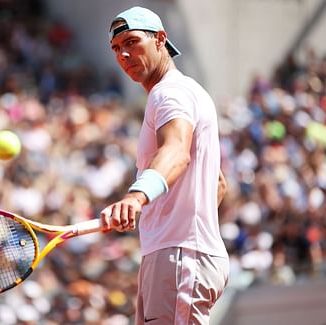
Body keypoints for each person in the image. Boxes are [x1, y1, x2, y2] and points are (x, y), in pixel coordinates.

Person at [100, 6, 229, 324]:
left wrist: (137, 197)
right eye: (117, 48)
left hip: (179, 256)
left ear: (161, 39)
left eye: (132, 42)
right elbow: (218, 184)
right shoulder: (182, 91)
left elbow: (176, 151)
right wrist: (167, 217)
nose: (124, 55)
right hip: (175, 252)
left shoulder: (169, 93)